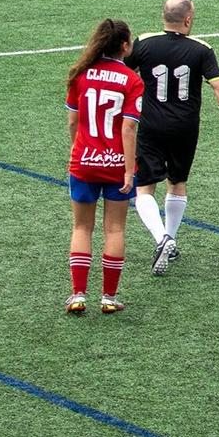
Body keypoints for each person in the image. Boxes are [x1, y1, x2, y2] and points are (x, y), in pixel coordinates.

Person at [127, 0, 219, 275]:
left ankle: (160, 239)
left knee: (144, 188)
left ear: (163, 17)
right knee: (177, 182)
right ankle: (172, 239)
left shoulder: (144, 43)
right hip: (185, 128)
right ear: (188, 19)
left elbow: (123, 74)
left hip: (151, 125)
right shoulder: (201, 49)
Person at [64, 18, 143, 315]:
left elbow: (73, 121)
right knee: (115, 229)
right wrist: (127, 169)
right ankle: (108, 298)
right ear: (124, 46)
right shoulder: (132, 80)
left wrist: (79, 150)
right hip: (116, 165)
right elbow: (129, 129)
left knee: (82, 226)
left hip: (84, 161)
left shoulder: (80, 74)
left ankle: (78, 295)